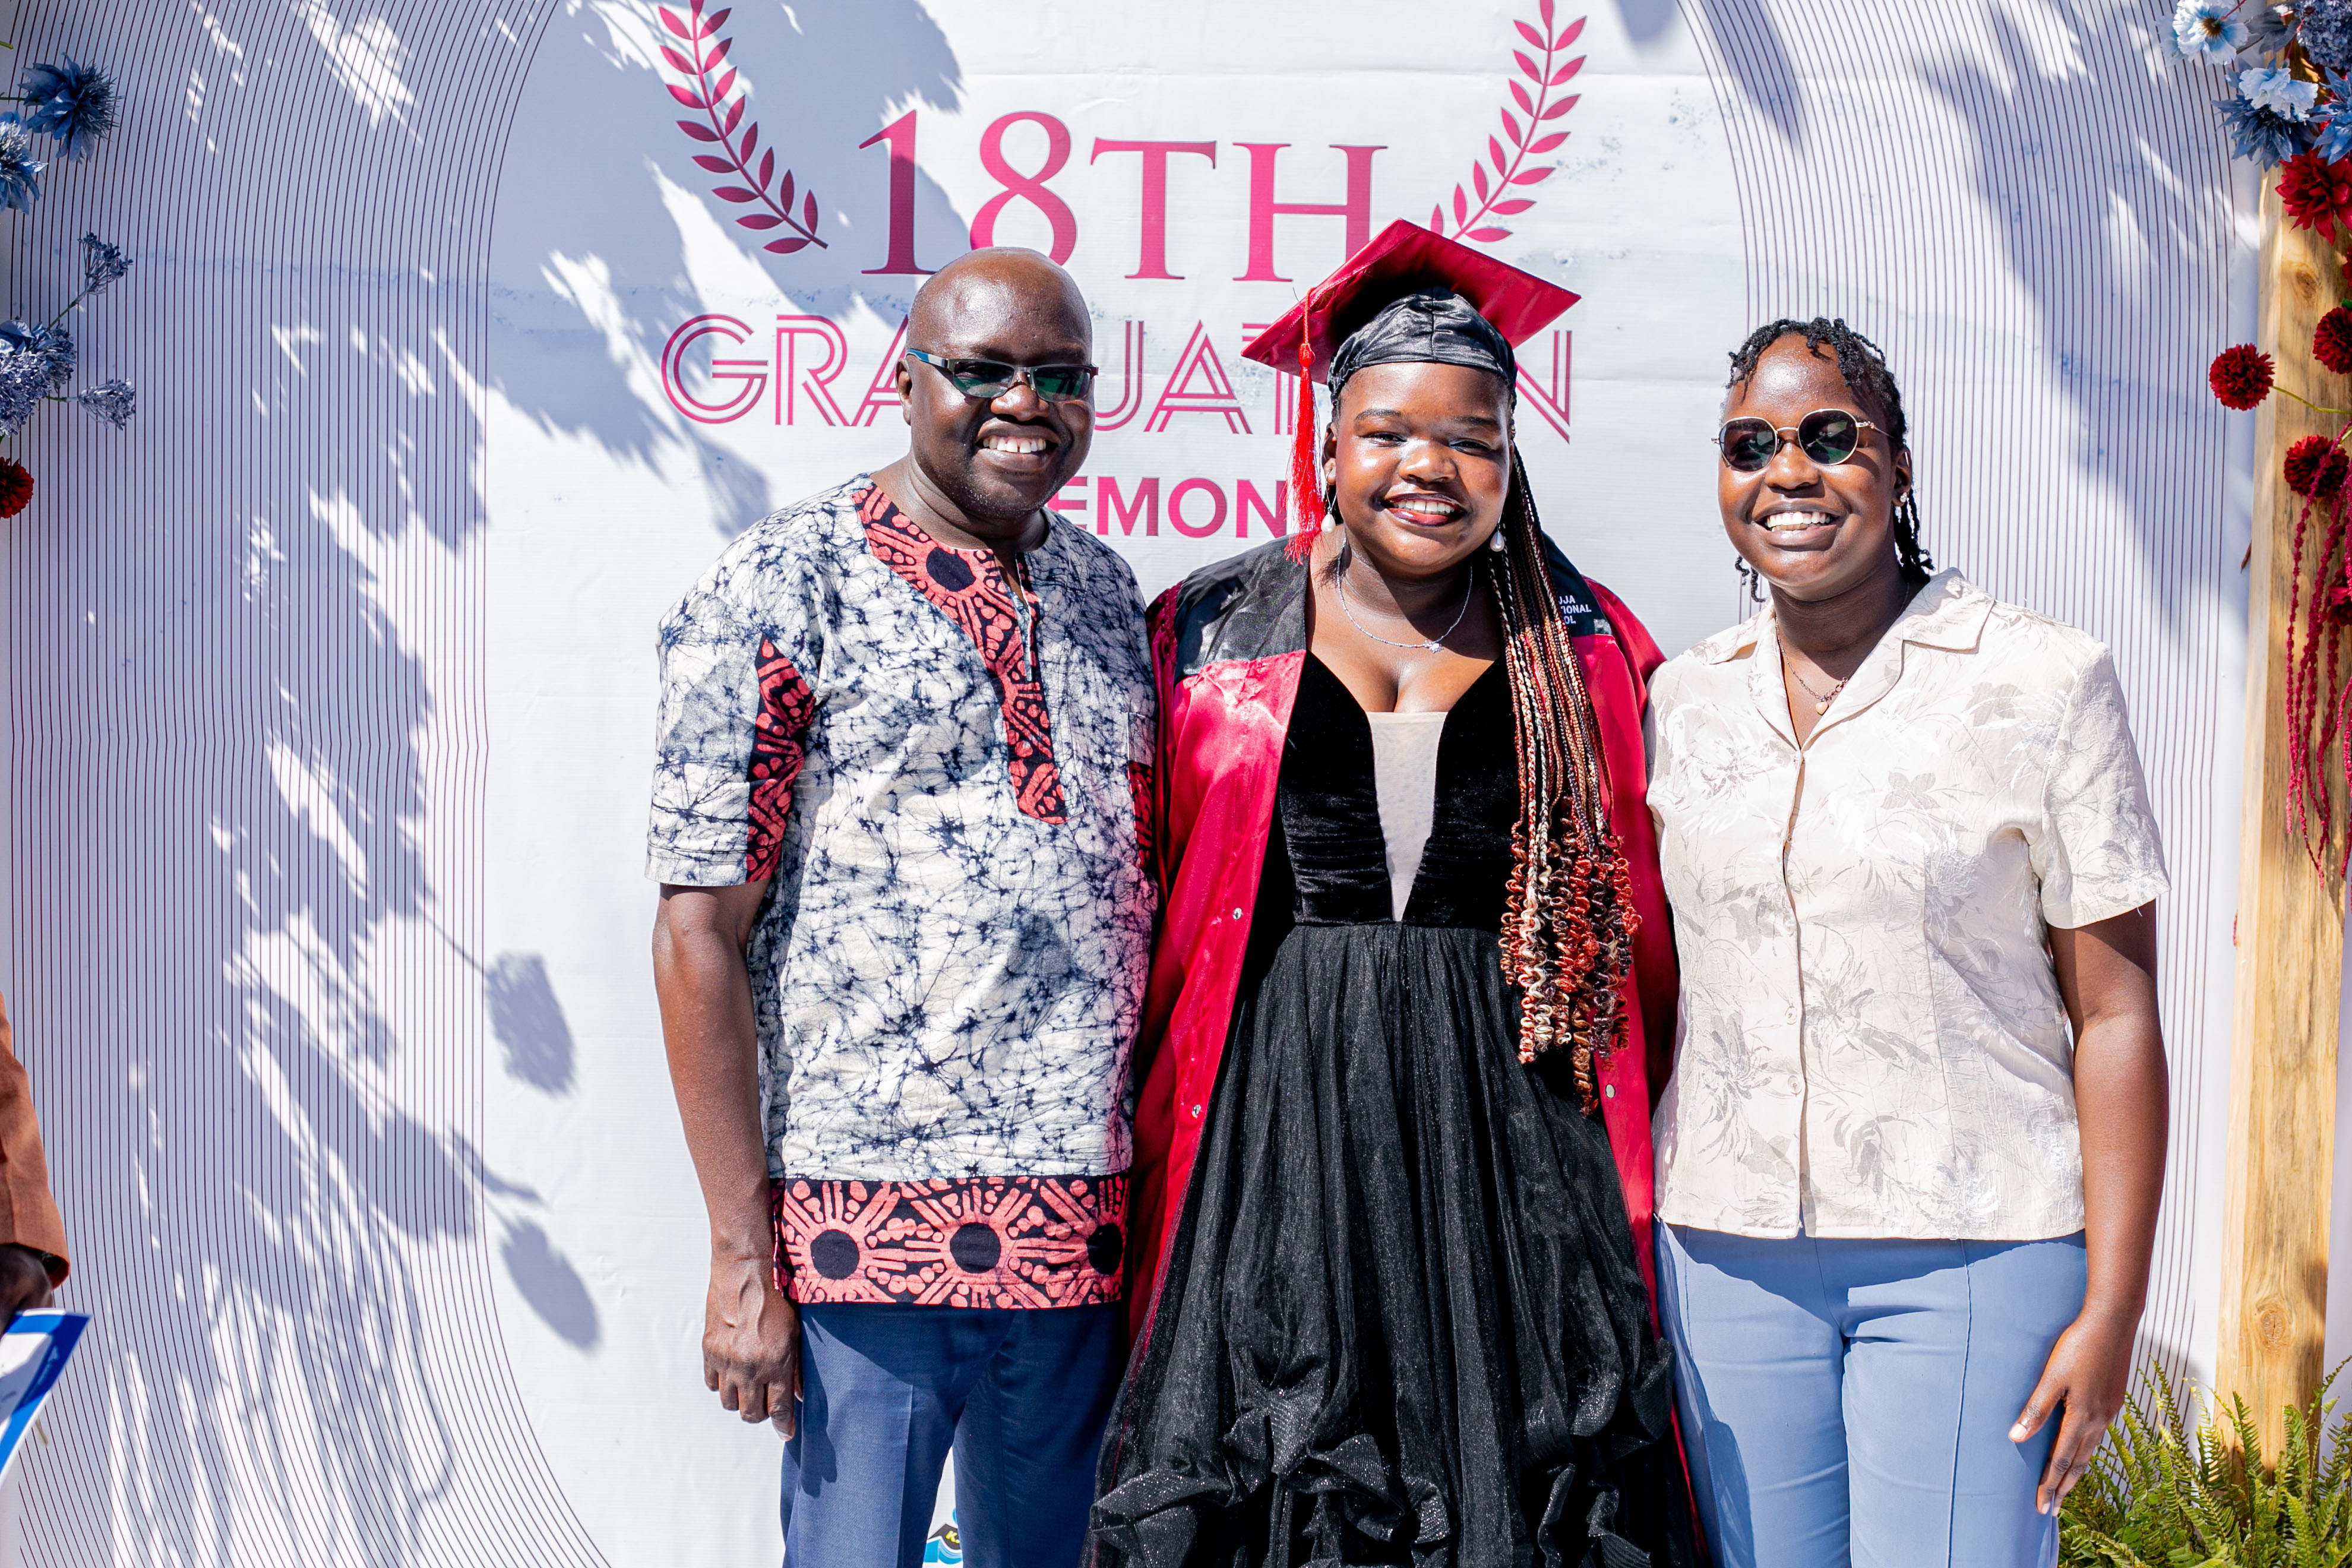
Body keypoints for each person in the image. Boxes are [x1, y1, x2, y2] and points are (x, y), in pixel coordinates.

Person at [1093, 222, 1696, 1568]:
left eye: (1474, 439)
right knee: (1292, 1454)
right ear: (1327, 447)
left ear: (1513, 460)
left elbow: (1646, 922)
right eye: (1388, 433)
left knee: (1515, 1464)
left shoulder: (1585, 644)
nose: (1431, 467)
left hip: (1510, 1120)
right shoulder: (1208, 627)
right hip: (1280, 1109)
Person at [646, 247, 1156, 1568]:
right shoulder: (784, 583)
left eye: (1060, 375)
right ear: (908, 377)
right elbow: (699, 931)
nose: (1025, 404)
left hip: (1086, 1237)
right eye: (983, 371)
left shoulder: (1108, 596)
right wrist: (741, 1259)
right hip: (865, 1244)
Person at [1646, 318, 2170, 1567]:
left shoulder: (2041, 680)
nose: (1789, 472)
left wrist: (2115, 1306)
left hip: (1976, 1248)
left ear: (1900, 464)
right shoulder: (1681, 697)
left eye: (1831, 436)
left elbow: (2115, 1013)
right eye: (1749, 445)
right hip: (1725, 1252)